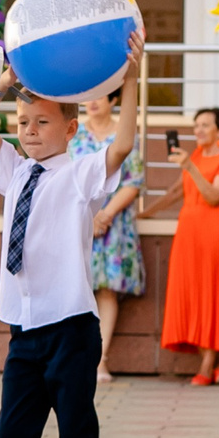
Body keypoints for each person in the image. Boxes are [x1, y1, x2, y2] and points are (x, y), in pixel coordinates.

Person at [0, 63, 143, 438]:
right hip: (26, 326)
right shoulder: (15, 171)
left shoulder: (82, 172)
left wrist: (130, 84)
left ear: (70, 129)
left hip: (70, 325)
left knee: (75, 432)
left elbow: (121, 144)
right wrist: (0, 88)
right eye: (23, 122)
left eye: (41, 123)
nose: (28, 131)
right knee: (12, 432)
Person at [152, 105, 219, 385]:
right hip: (189, 233)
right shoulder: (194, 155)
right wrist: (142, 213)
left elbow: (215, 195)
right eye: (196, 125)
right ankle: (213, 360)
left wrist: (190, 167)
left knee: (214, 293)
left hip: (216, 233)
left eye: (206, 125)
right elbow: (177, 192)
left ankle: (208, 363)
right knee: (192, 292)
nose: (199, 130)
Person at [74, 79, 144, 385]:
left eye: (100, 96)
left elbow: (133, 180)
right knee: (77, 286)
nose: (93, 102)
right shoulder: (73, 132)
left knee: (106, 289)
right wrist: (88, 215)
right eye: (89, 96)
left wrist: (105, 214)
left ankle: (101, 360)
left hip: (114, 224)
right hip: (76, 220)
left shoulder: (124, 133)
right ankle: (76, 358)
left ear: (114, 100)